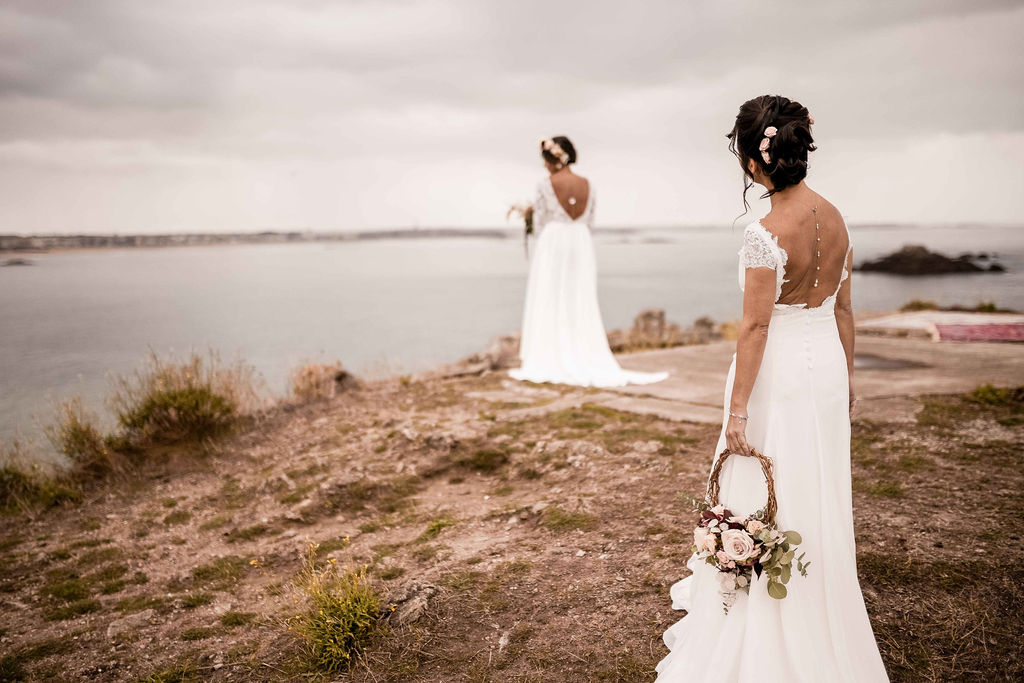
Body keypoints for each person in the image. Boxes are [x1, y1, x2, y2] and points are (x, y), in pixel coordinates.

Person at [655, 96, 889, 682]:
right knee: (815, 484)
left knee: (764, 483)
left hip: (778, 375)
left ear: (755, 159)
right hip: (826, 370)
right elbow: (845, 310)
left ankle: (764, 619)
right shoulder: (838, 219)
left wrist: (737, 412)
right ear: (796, 148)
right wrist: (850, 376)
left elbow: (756, 326)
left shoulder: (764, 234)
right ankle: (818, 603)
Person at [509, 136, 667, 387]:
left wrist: (536, 230)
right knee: (579, 296)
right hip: (580, 243)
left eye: (545, 161)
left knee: (550, 295)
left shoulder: (544, 185)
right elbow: (589, 222)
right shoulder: (588, 184)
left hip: (553, 241)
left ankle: (548, 352)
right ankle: (582, 349)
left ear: (553, 159)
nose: (544, 166)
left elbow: (539, 223)